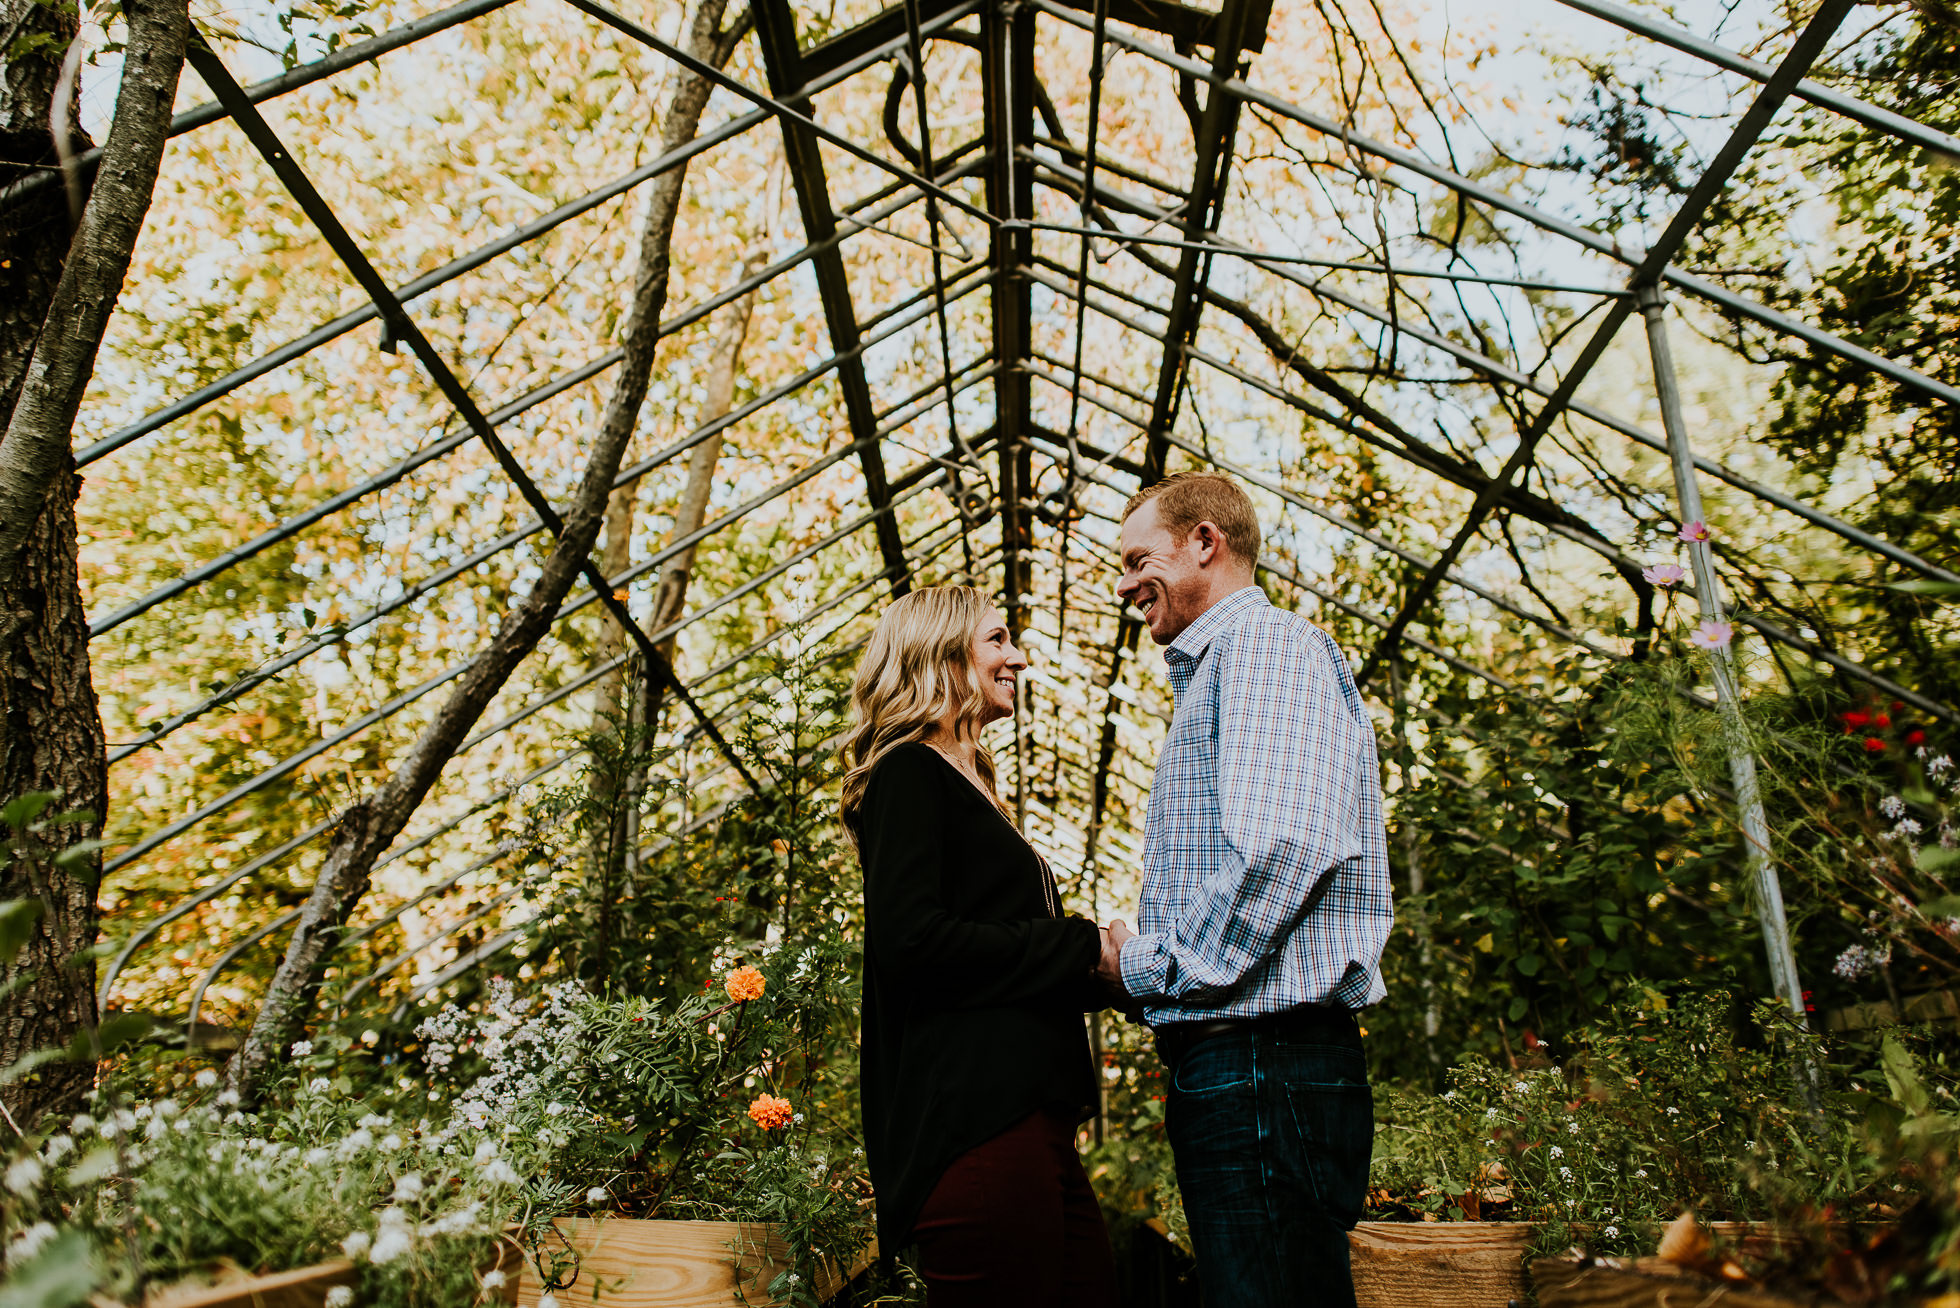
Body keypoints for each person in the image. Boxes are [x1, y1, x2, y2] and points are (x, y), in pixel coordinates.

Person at [1094, 472, 1394, 1308]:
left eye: (1137, 557)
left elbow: (1284, 846)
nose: (1124, 582)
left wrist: (1147, 966)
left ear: (1204, 543)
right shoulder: (1227, 665)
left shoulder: (1264, 648)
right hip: (1254, 1057)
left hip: (1265, 1057)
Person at [839, 585, 1119, 1308]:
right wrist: (1078, 944)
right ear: (940, 655)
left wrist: (1105, 972)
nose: (1017, 657)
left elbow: (993, 952)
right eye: (998, 640)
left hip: (1027, 1117)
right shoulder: (908, 773)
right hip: (974, 1124)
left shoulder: (973, 787)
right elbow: (913, 945)